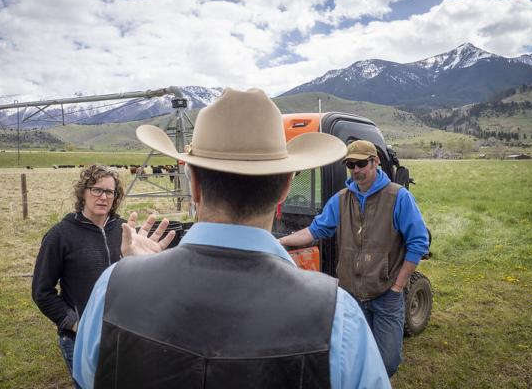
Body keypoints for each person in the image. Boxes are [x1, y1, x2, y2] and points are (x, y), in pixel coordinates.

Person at [73, 88, 391, 388]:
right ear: (284, 189)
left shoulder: (112, 287)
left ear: (194, 184)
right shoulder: (338, 316)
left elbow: (88, 378)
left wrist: (141, 275)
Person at [279, 139, 429, 377]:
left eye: (361, 164)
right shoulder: (341, 199)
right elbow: (314, 230)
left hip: (386, 294)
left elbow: (419, 242)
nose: (356, 170)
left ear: (376, 162)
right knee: (355, 358)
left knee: (388, 360)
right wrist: (280, 242)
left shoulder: (397, 197)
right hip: (351, 296)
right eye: (351, 165)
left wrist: (398, 286)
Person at [31, 164, 174, 387]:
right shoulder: (60, 235)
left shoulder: (126, 231)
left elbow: (138, 281)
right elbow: (42, 292)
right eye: (96, 189)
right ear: (83, 192)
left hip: (123, 334)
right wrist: (75, 323)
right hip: (79, 338)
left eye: (109, 191)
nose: (103, 197)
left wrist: (148, 262)